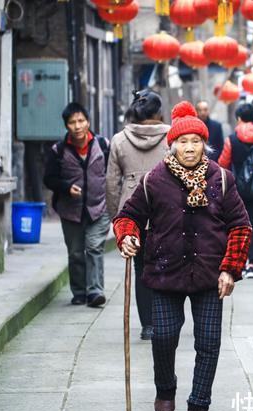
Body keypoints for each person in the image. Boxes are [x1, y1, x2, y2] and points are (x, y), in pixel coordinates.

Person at [113, 101, 251, 411]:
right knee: (162, 335)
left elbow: (241, 226)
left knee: (208, 342)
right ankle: (165, 389)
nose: (189, 148)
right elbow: (128, 216)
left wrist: (231, 268)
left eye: (196, 141)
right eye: (183, 142)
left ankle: (199, 403)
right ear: (171, 145)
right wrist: (128, 236)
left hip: (209, 275)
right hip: (164, 271)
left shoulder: (222, 179)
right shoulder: (154, 181)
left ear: (205, 144)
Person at [106, 89, 170, 340]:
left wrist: (117, 216)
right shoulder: (171, 138)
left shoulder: (119, 140)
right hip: (166, 209)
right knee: (165, 265)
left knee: (142, 267)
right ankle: (165, 319)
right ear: (159, 112)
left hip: (132, 210)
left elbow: (111, 183)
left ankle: (148, 325)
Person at [44, 102, 111, 307]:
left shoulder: (103, 144)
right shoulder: (59, 150)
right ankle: (80, 291)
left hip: (99, 207)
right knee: (75, 252)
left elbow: (112, 172)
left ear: (88, 122)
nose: (77, 126)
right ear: (66, 126)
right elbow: (49, 179)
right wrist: (66, 187)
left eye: (81, 121)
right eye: (72, 122)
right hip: (70, 210)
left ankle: (95, 291)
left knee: (93, 247)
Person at [218, 103, 253, 278]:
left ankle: (239, 263)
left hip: (237, 191)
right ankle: (252, 264)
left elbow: (223, 165)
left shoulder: (231, 139)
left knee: (236, 226)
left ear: (239, 118)